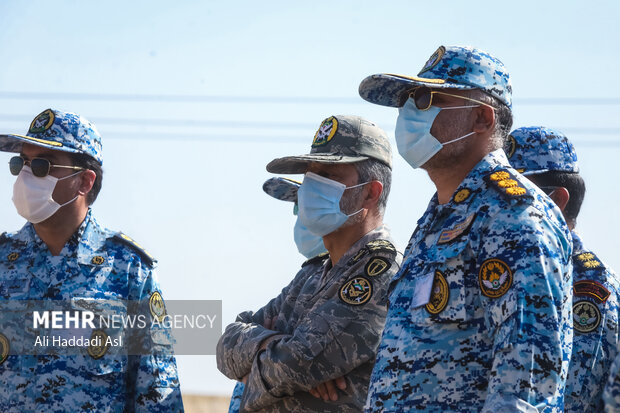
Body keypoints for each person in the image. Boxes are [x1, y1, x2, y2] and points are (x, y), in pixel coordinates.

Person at [359, 46, 573, 411]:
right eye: (408, 100)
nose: (410, 112)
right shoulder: (438, 218)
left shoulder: (514, 216)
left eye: (427, 98)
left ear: (481, 119)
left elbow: (527, 386)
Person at [0, 109, 183, 412]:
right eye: (21, 164)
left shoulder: (128, 269)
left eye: (43, 166)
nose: (26, 176)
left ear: (84, 181)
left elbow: (157, 392)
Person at [216, 114, 401, 412]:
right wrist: (270, 344)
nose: (311, 188)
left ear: (370, 192)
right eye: (310, 175)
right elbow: (225, 346)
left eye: (329, 175)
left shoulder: (378, 272)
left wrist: (256, 369)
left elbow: (299, 364)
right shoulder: (312, 276)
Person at [507, 126, 619, 412]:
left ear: (557, 201)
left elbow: (567, 398)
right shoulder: (509, 269)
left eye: (512, 196)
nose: (496, 207)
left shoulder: (589, 286)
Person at [227, 177, 327, 413]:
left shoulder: (366, 275)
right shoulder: (307, 276)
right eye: (297, 207)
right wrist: (271, 342)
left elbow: (302, 363)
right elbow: (229, 342)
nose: (300, 215)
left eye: (307, 205)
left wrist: (255, 358)